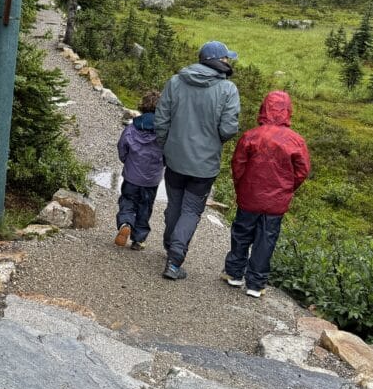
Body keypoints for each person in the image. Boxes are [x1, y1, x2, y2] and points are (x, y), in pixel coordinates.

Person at [155, 41, 240, 280]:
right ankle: (174, 260)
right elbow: (229, 128)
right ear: (219, 61)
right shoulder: (228, 90)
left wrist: (166, 145)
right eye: (227, 58)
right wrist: (215, 142)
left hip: (174, 158)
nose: (229, 62)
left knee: (174, 204)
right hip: (204, 164)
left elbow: (161, 119)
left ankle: (170, 244)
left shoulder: (176, 82)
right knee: (191, 210)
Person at [222, 90, 310, 298]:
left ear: (265, 108)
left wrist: (241, 187)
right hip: (276, 201)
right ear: (288, 111)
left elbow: (238, 165)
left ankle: (234, 273)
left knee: (241, 234)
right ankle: (256, 284)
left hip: (250, 195)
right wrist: (287, 188)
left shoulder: (251, 136)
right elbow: (302, 172)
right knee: (266, 239)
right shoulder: (296, 141)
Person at [115, 91, 164, 250]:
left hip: (131, 176)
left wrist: (126, 160)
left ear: (142, 107)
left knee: (127, 200)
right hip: (152, 179)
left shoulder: (132, 127)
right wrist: (163, 164)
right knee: (145, 206)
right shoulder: (164, 131)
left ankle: (125, 222)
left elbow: (122, 146)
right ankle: (139, 239)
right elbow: (169, 151)